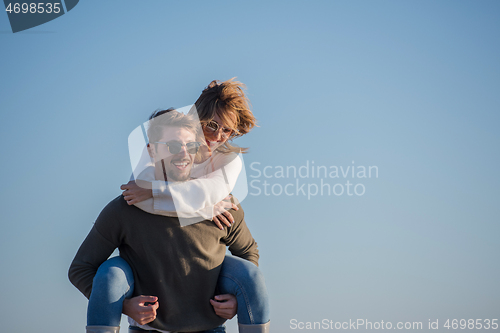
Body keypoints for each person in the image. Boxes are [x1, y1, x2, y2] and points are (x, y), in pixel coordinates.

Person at [69, 111, 270, 333]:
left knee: (250, 274)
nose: (184, 154)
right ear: (152, 151)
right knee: (110, 273)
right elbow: (81, 269)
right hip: (148, 330)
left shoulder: (220, 207)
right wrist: (125, 306)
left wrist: (235, 299)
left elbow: (249, 253)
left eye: (191, 146)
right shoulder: (126, 208)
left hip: (210, 329)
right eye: (173, 146)